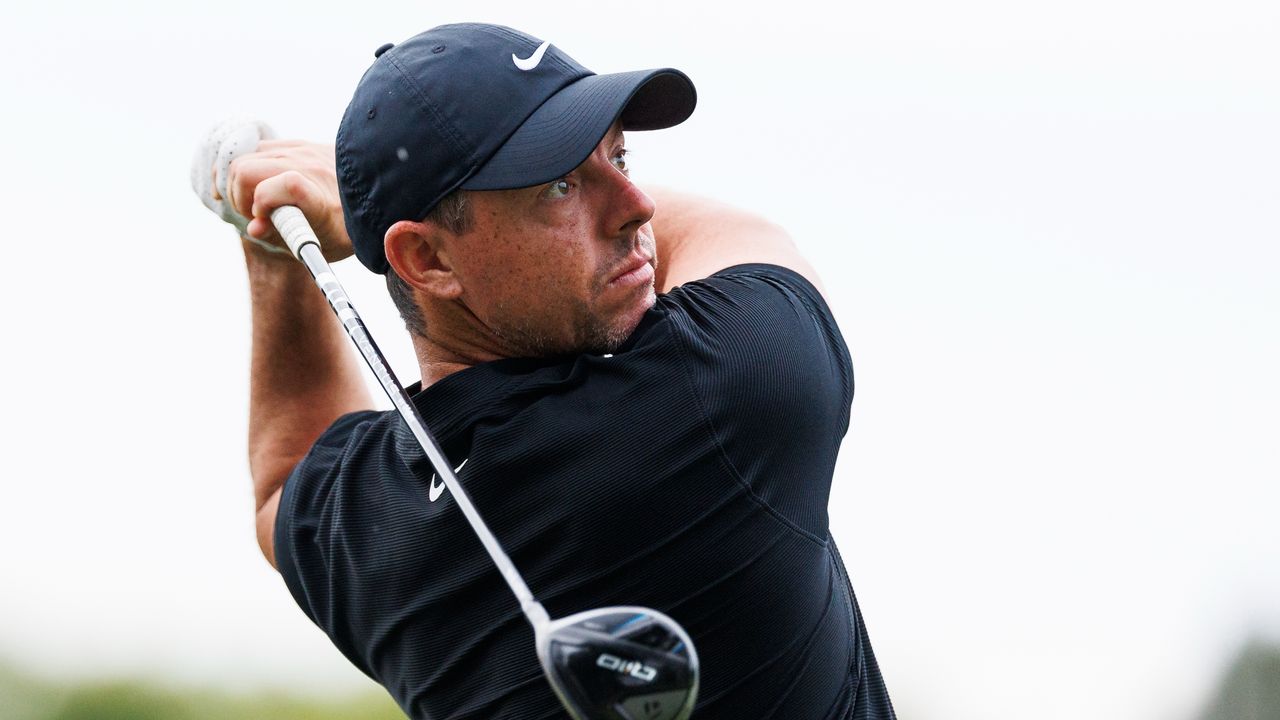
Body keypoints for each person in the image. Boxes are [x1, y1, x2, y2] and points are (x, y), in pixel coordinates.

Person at [207, 22, 895, 720]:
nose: (638, 206)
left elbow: (284, 480)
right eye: (561, 185)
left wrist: (271, 249)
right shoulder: (716, 400)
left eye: (620, 159)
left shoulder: (369, 521)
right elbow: (745, 238)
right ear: (428, 261)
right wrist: (337, 186)